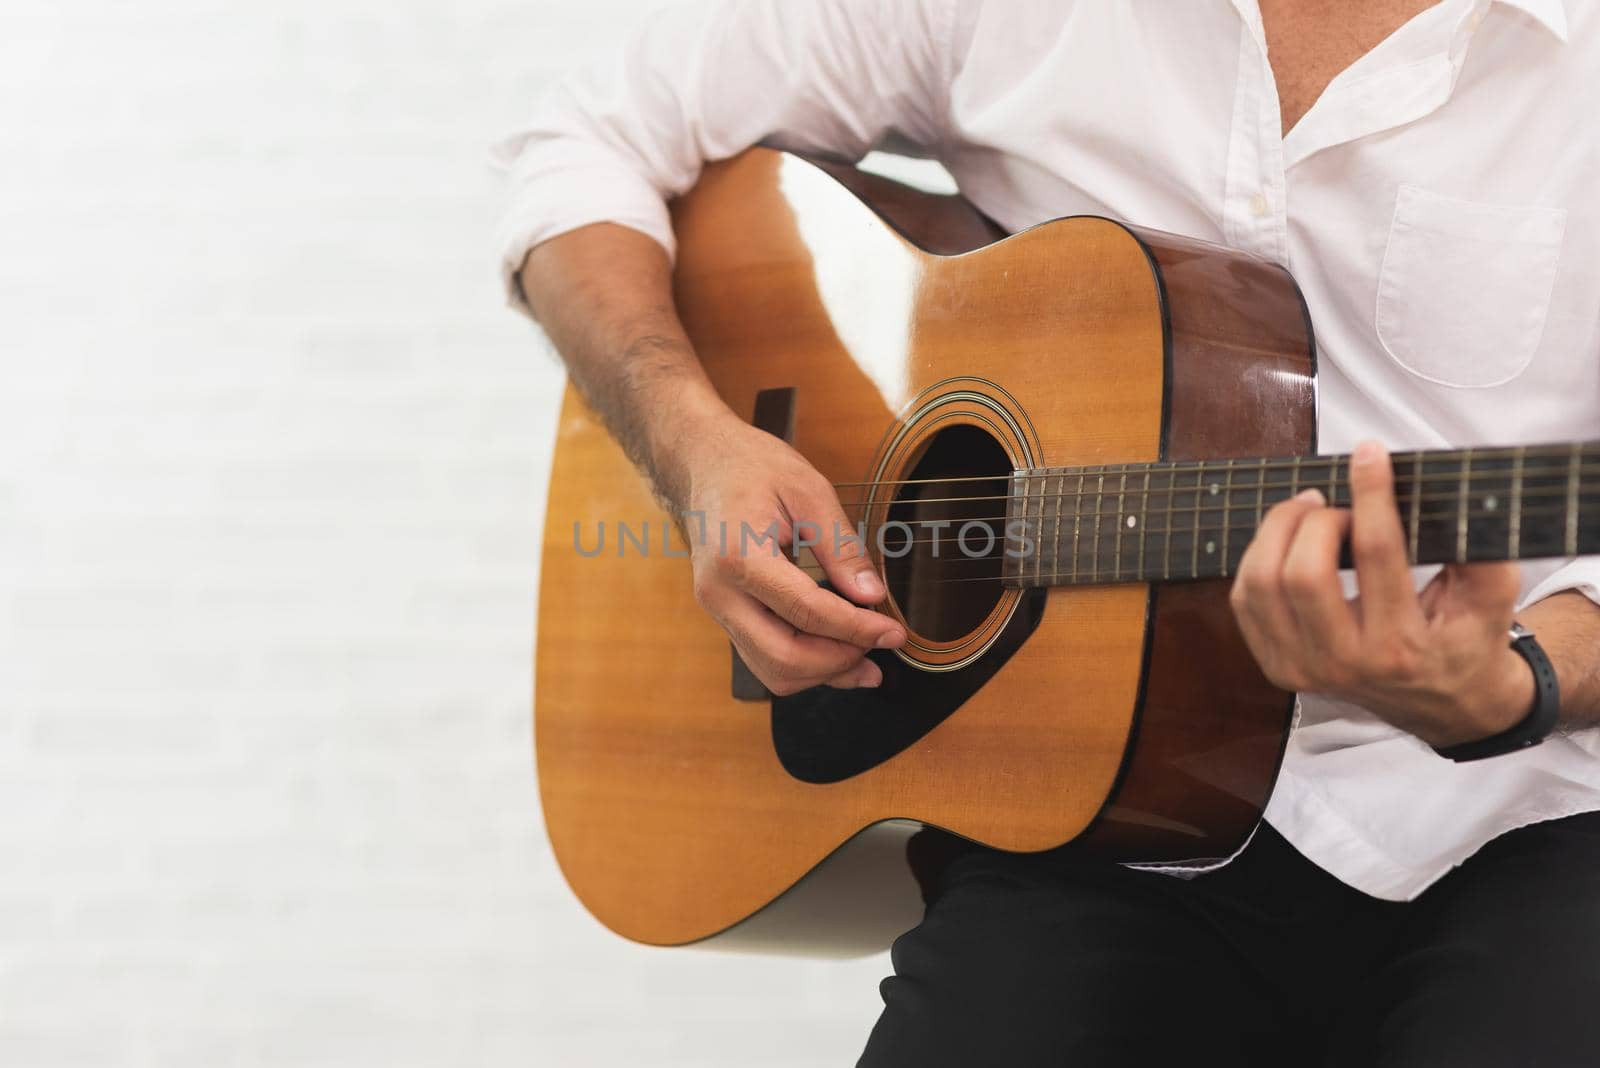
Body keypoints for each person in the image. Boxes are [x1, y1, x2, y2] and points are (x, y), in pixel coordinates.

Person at [496, 2, 1600, 1063]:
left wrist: (1518, 683)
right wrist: (693, 447)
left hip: (1532, 811)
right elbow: (588, 146)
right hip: (1104, 806)